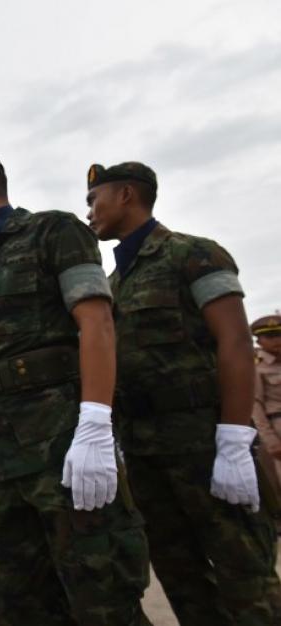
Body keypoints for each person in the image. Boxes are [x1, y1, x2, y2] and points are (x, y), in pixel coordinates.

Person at [0, 150, 150, 625]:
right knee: (25, 600)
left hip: (61, 448)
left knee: (102, 596)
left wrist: (96, 422)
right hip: (2, 457)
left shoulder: (53, 232)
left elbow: (96, 321)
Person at [85, 161, 281, 624]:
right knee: (181, 578)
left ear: (128, 195)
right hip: (147, 451)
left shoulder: (194, 255)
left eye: (96, 199)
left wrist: (234, 438)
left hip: (204, 442)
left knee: (246, 579)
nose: (90, 211)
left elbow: (234, 341)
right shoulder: (111, 286)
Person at [252, 315, 281, 490]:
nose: (277, 340)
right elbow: (256, 407)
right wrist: (271, 441)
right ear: (259, 341)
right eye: (269, 336)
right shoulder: (256, 367)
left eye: (279, 334)